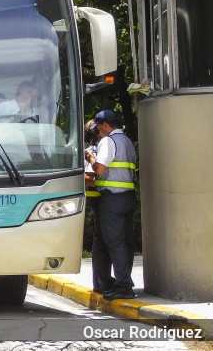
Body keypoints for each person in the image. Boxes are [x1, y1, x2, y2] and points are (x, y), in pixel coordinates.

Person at [84, 110, 137, 301]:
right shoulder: (127, 141)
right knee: (126, 243)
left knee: (114, 243)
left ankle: (123, 287)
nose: (98, 131)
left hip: (112, 200)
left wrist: (90, 156)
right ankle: (123, 282)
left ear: (106, 125)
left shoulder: (109, 141)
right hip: (129, 198)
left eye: (99, 127)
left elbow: (99, 169)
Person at [84, 119, 113, 294]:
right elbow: (87, 177)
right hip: (98, 199)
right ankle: (100, 283)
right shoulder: (92, 150)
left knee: (102, 241)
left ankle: (101, 282)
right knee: (101, 242)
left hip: (103, 198)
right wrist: (106, 182)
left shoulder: (102, 147)